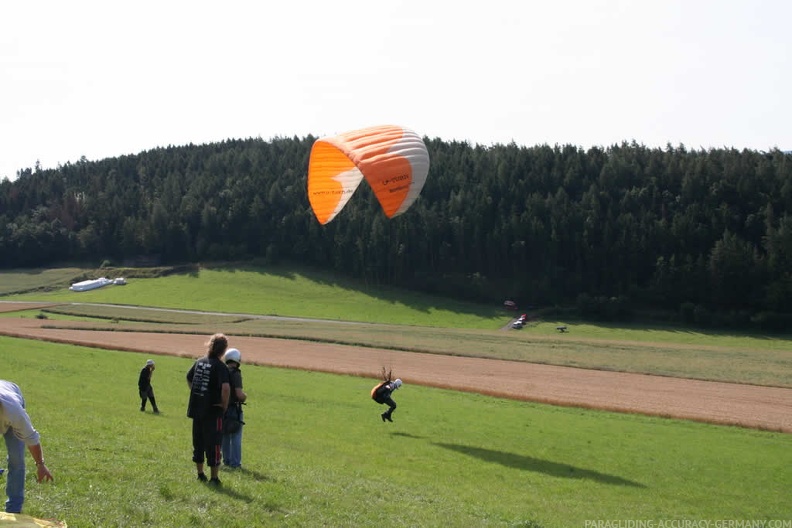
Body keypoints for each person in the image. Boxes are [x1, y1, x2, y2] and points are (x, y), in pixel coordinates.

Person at [0, 380, 53, 514]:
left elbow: (31, 438)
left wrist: (40, 465)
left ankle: (14, 508)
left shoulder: (14, 412)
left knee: (16, 458)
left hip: (12, 393)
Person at [186, 333, 230, 486]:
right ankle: (214, 478)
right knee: (214, 443)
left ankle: (200, 473)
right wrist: (224, 405)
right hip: (213, 411)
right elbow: (225, 388)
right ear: (223, 350)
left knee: (198, 440)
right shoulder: (220, 367)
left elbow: (188, 377)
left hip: (197, 407)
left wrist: (197, 393)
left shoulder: (199, 362)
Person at [221, 348, 247, 469]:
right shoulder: (236, 373)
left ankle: (226, 460)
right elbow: (239, 394)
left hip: (223, 408)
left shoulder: (223, 371)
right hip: (234, 410)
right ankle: (236, 463)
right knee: (236, 436)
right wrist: (244, 397)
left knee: (225, 434)